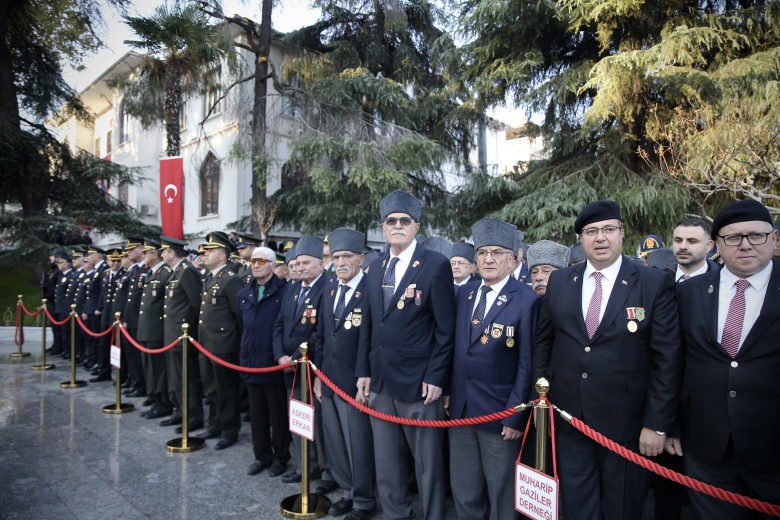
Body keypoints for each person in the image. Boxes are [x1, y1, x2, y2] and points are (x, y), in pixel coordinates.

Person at [533, 200, 682, 520]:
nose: (600, 238)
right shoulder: (560, 281)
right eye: (591, 231)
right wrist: (542, 399)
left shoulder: (653, 282)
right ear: (581, 239)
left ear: (622, 234)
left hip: (627, 424)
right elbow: (544, 342)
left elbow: (667, 358)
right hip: (568, 417)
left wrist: (657, 424)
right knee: (576, 505)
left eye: (608, 230)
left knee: (623, 507)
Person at [673, 199, 780, 520]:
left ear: (774, 238)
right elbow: (675, 362)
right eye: (733, 238)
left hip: (773, 449)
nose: (745, 245)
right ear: (717, 245)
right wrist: (670, 424)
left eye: (756, 236)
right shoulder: (688, 293)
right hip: (707, 448)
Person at [356, 190, 456, 520]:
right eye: (390, 221)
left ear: (416, 226)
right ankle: (396, 513)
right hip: (381, 382)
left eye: (404, 221)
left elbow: (445, 330)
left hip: (419, 384)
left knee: (426, 463)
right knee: (386, 460)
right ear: (383, 227)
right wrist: (364, 373)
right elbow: (368, 327)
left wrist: (436, 377)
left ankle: (432, 516)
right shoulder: (375, 266)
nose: (397, 225)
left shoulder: (435, 265)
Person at [447, 218, 541, 520]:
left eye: (498, 252)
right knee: (464, 487)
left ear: (514, 260)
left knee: (501, 491)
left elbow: (528, 365)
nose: (488, 258)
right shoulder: (465, 293)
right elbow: (455, 349)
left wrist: (516, 415)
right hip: (461, 409)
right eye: (483, 252)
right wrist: (450, 393)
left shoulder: (527, 302)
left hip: (499, 413)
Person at [312, 228, 377, 520]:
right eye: (336, 257)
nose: (340, 262)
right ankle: (348, 490)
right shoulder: (329, 289)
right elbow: (321, 337)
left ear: (360, 259)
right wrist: (317, 376)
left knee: (358, 444)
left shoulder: (371, 291)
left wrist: (365, 376)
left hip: (355, 382)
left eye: (346, 256)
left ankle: (364, 500)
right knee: (336, 441)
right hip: (328, 379)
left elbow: (373, 340)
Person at [272, 235, 335, 489]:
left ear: (321, 264)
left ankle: (325, 469)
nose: (299, 268)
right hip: (288, 368)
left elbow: (320, 333)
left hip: (312, 369)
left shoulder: (328, 288)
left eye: (305, 263)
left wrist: (296, 357)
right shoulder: (292, 287)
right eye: (296, 263)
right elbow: (279, 324)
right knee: (297, 419)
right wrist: (280, 356)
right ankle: (304, 466)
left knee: (318, 424)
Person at [238, 246, 290, 478]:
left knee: (278, 415)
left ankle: (280, 457)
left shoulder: (285, 291)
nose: (256, 265)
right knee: (257, 415)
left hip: (273, 363)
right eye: (252, 261)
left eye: (261, 261)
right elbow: (242, 327)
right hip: (251, 363)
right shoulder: (244, 294)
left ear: (272, 264)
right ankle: (262, 456)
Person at [196, 231, 244, 450]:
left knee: (225, 389)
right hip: (206, 342)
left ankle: (229, 429)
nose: (205, 254)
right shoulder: (210, 276)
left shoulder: (230, 280)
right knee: (210, 387)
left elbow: (239, 315)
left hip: (223, 344)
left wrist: (235, 343)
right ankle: (215, 423)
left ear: (223, 255)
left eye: (211, 251)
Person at [160, 236, 204, 433]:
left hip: (183, 333)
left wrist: (192, 331)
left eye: (163, 251)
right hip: (172, 334)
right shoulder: (175, 272)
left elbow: (196, 304)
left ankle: (193, 416)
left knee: (187, 377)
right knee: (175, 377)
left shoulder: (187, 271)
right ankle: (179, 411)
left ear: (171, 252)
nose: (161, 254)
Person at [137, 239, 174, 419]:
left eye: (146, 253)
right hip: (147, 329)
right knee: (150, 368)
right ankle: (154, 398)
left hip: (157, 330)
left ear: (154, 254)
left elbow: (167, 305)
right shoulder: (151, 272)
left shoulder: (165, 273)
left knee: (158, 370)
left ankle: (163, 403)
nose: (143, 255)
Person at [121, 237, 149, 399]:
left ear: (141, 249)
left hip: (141, 320)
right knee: (132, 355)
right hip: (131, 319)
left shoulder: (145, 269)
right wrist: (125, 318)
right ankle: (135, 382)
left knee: (139, 357)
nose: (129, 252)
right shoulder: (135, 270)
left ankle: (141, 386)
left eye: (132, 249)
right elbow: (129, 298)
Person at [671, 218, 718, 283]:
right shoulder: (658, 280)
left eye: (692, 241)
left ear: (708, 246)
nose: (683, 246)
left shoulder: (721, 281)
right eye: (678, 241)